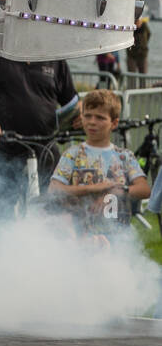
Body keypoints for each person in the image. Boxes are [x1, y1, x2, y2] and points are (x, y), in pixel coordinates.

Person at [0, 55, 80, 229]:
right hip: (3, 149)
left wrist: (79, 116)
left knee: (55, 214)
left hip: (45, 149)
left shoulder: (54, 57)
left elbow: (72, 100)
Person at [48, 89, 149, 240]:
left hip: (117, 236)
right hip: (80, 237)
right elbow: (54, 189)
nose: (92, 122)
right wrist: (91, 188)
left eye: (100, 118)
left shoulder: (124, 156)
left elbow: (144, 189)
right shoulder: (72, 154)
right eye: (87, 116)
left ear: (114, 123)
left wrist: (116, 191)